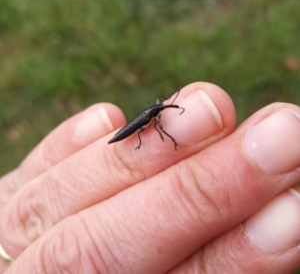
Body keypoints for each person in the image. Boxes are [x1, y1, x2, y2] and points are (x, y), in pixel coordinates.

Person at [0, 82, 300, 274]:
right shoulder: (151, 118)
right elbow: (151, 127)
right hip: (130, 132)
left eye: (166, 106)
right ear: (157, 108)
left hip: (136, 126)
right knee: (144, 133)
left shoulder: (155, 111)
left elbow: (157, 118)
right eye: (165, 106)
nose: (167, 107)